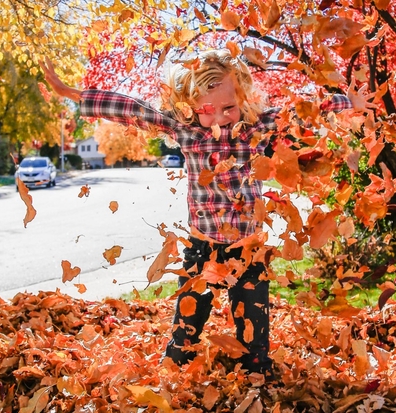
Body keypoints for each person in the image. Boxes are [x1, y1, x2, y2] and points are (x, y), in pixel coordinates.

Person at [41, 49, 352, 378]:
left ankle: (256, 376)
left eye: (228, 107)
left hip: (248, 251)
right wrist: (76, 95)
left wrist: (349, 105)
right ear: (190, 106)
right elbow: (134, 110)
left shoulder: (255, 129)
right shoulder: (186, 132)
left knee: (254, 332)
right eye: (206, 109)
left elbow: (301, 113)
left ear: (243, 99)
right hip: (201, 250)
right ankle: (175, 372)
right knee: (186, 326)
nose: (218, 117)